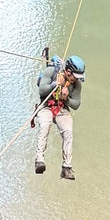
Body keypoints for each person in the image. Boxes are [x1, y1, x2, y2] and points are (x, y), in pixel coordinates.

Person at [33, 51, 84, 179]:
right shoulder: (51, 72)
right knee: (45, 125)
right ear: (68, 71)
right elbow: (42, 90)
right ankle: (39, 160)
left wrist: (66, 99)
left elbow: (76, 104)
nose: (76, 79)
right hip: (46, 105)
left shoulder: (76, 84)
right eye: (75, 76)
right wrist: (55, 85)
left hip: (62, 107)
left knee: (68, 132)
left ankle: (67, 167)